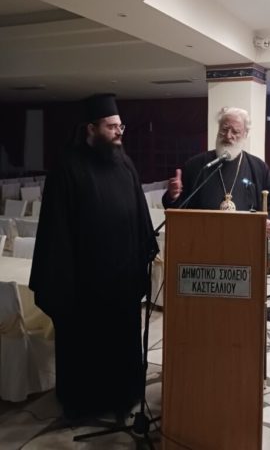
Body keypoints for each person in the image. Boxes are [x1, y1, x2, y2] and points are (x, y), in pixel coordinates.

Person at [29, 94, 158, 420]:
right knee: (87, 349)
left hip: (122, 282)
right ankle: (84, 403)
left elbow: (140, 215)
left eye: (120, 126)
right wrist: (63, 284)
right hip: (84, 287)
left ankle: (124, 396)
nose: (118, 132)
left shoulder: (125, 164)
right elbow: (56, 232)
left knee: (121, 345)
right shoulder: (66, 168)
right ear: (91, 128)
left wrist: (143, 252)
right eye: (111, 126)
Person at [163, 107, 270, 237]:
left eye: (235, 132)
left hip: (245, 239)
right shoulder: (197, 165)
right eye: (224, 129)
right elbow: (179, 206)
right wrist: (173, 196)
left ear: (245, 134)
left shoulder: (258, 167)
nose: (228, 136)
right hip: (201, 238)